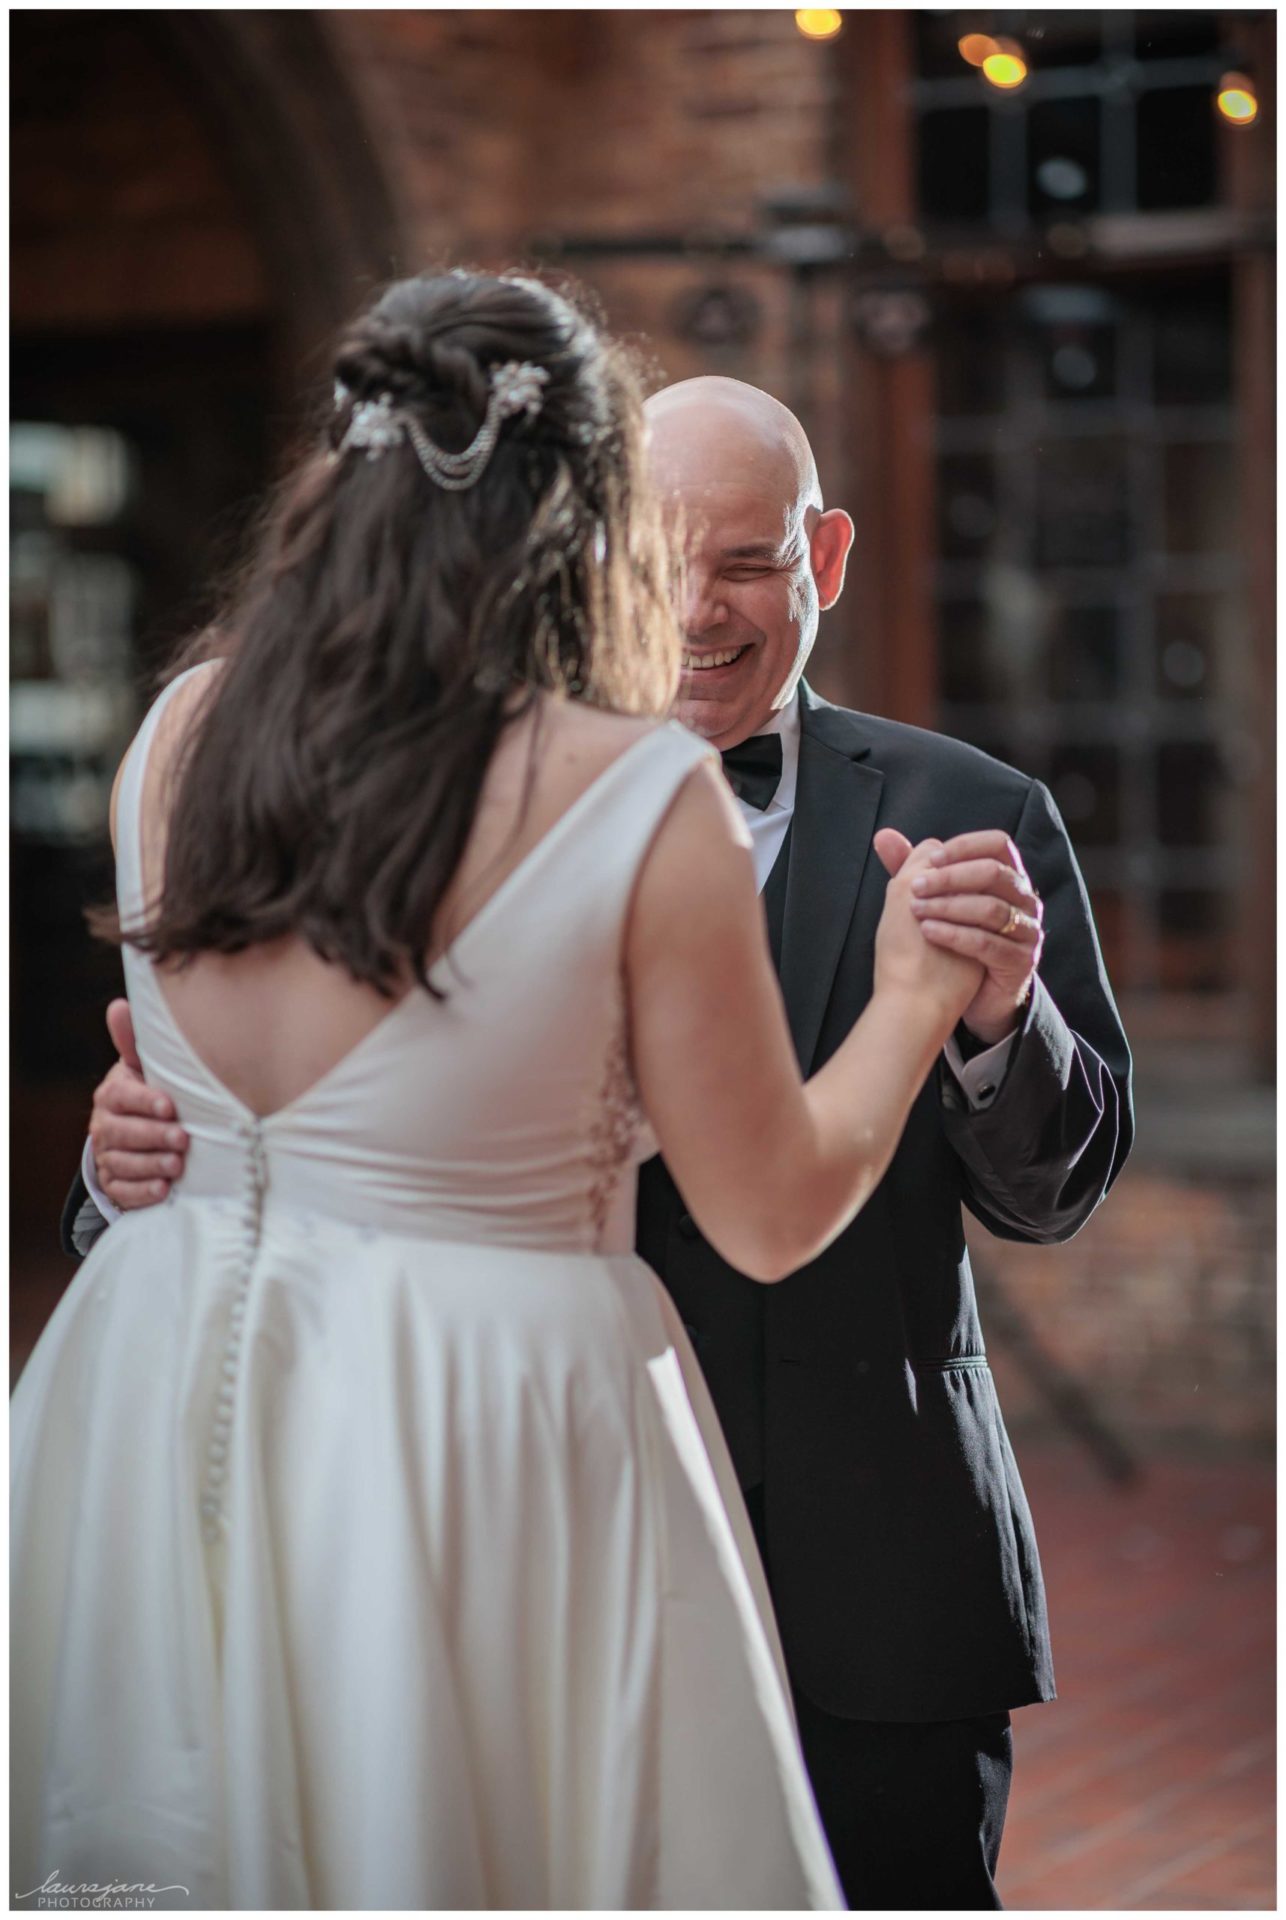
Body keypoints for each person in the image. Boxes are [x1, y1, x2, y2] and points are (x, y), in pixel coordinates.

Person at [15, 274, 987, 1910]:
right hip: (471, 1419)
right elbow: (763, 1212)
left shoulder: (178, 733)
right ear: (584, 510)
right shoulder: (625, 792)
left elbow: (316, 1103)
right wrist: (906, 1002)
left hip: (167, 1385)